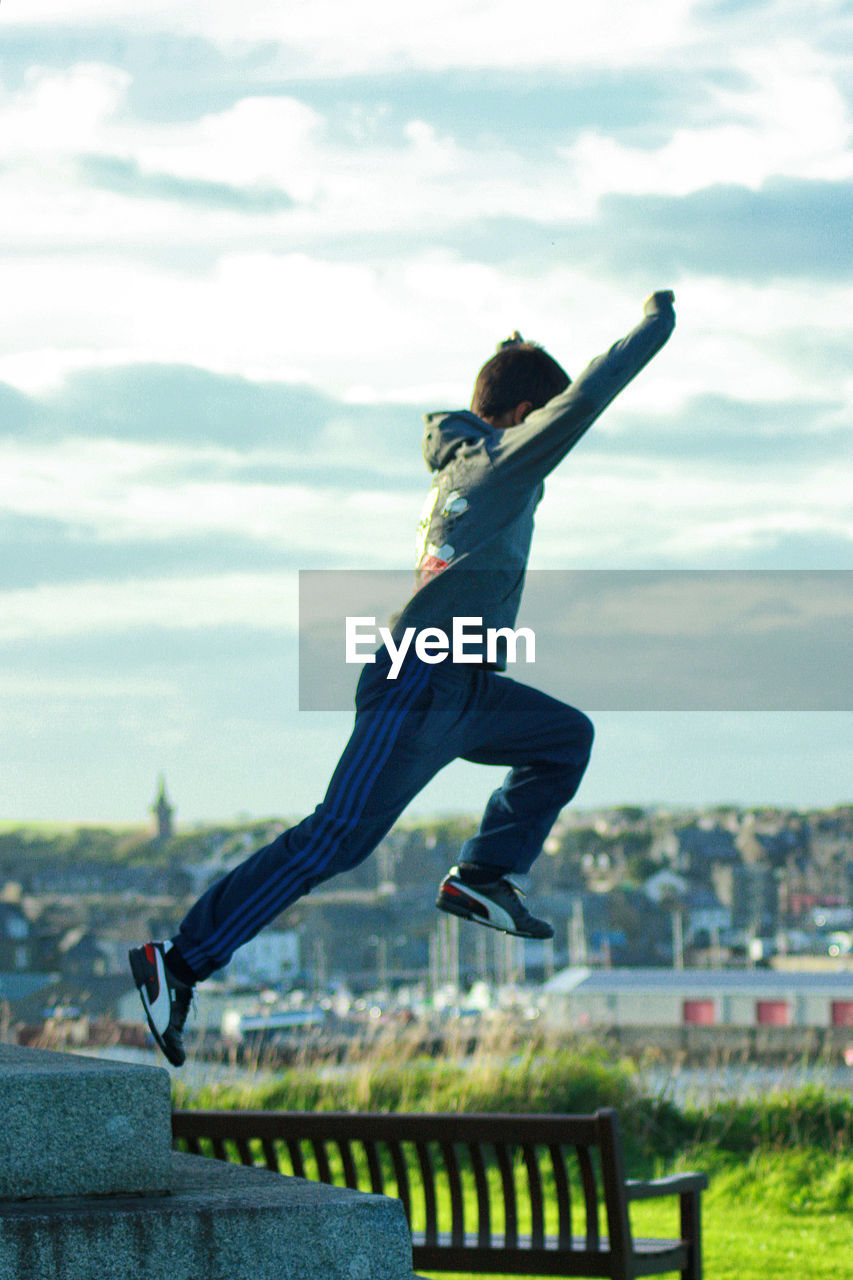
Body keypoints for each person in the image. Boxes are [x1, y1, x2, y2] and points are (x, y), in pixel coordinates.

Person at [130, 290, 676, 1065]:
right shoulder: (495, 463)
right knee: (334, 840)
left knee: (563, 738)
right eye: (538, 423)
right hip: (417, 684)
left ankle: (481, 876)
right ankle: (178, 962)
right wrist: (655, 323)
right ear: (522, 415)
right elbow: (586, 399)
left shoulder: (467, 464)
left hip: (463, 688)